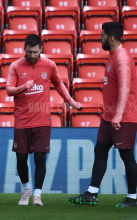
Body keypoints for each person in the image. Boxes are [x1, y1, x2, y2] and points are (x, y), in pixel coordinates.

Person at [68, 22, 137, 208]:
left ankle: (132, 198)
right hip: (110, 116)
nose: (100, 38)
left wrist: (118, 116)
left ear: (111, 38)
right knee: (100, 150)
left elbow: (125, 89)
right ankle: (92, 193)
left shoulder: (122, 57)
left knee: (127, 156)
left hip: (122, 117)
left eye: (102, 35)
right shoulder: (113, 56)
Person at [6, 34, 81, 206]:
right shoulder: (16, 66)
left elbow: (59, 85)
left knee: (40, 158)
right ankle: (26, 190)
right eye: (29, 51)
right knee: (21, 160)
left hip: (42, 120)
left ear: (41, 49)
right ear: (24, 49)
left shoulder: (49, 65)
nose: (32, 55)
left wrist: (72, 102)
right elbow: (9, 90)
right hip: (22, 120)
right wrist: (23, 87)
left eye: (35, 52)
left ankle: (38, 195)